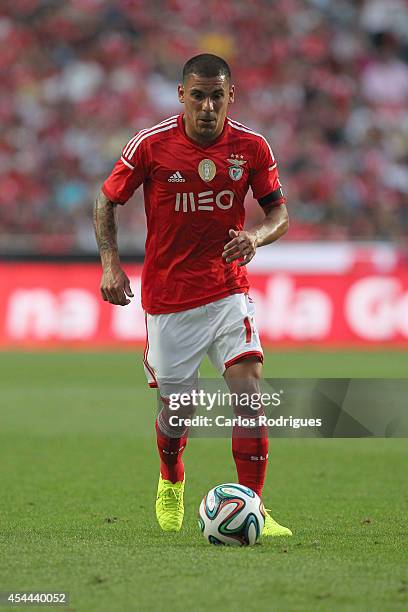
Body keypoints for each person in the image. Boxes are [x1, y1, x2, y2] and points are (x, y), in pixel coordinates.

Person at [93, 53, 292, 537]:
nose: (207, 106)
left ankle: (255, 510)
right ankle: (170, 478)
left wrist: (256, 238)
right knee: (177, 412)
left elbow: (279, 214)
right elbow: (106, 200)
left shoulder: (252, 147)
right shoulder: (151, 145)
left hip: (227, 291)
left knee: (249, 396)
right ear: (182, 95)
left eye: (216, 96)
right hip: (169, 299)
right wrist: (111, 264)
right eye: (198, 95)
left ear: (230, 97)